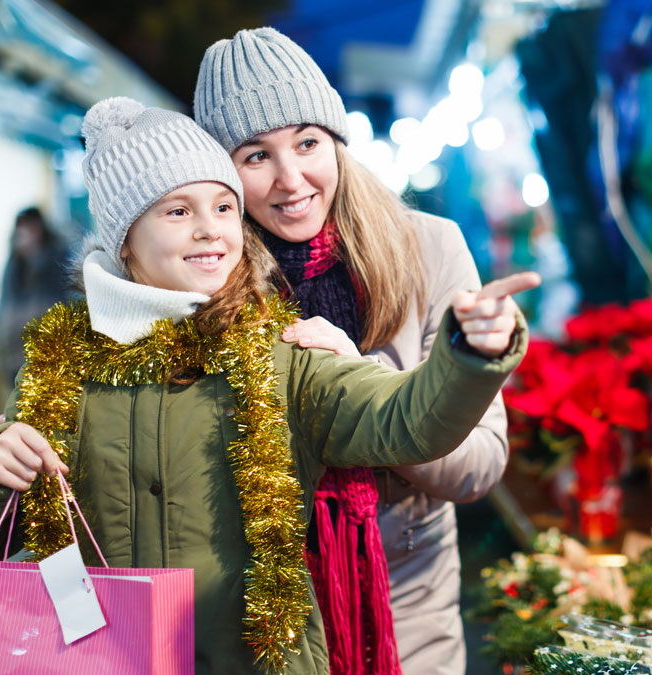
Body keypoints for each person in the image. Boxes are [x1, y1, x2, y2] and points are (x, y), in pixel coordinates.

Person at [0, 97, 535, 675]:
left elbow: (409, 420)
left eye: (222, 207)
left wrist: (469, 351)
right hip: (99, 656)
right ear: (125, 238)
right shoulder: (57, 367)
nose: (211, 229)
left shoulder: (280, 350)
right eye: (179, 211)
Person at [194, 28, 511, 675]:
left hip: (409, 611)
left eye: (307, 143)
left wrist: (360, 382)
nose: (291, 180)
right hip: (262, 627)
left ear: (337, 141)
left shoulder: (429, 248)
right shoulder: (206, 283)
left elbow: (482, 463)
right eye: (256, 156)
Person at [0, 206, 71, 382]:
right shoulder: (14, 264)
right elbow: (5, 307)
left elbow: (62, 303)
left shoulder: (58, 258)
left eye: (29, 228)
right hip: (16, 357)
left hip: (49, 356)